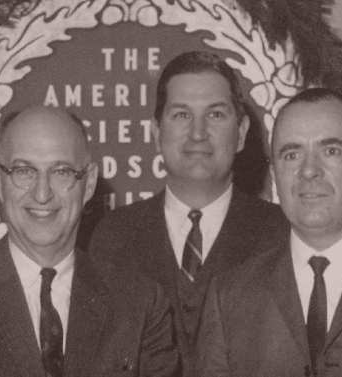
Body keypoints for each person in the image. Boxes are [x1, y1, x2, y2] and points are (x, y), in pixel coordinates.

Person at [0, 106, 180, 376]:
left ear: (89, 183)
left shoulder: (140, 304)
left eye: (61, 172)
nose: (42, 194)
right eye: (24, 171)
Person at [196, 87, 342, 377]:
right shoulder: (229, 297)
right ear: (275, 177)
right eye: (292, 155)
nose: (309, 170)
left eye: (331, 151)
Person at [89, 51, 288, 372]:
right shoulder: (113, 237)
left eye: (215, 114)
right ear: (156, 133)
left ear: (240, 133)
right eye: (181, 114)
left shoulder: (282, 234)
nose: (198, 133)